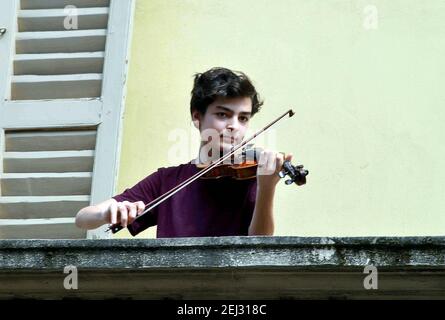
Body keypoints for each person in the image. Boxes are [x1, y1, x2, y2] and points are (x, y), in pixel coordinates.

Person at [75, 67, 292, 237]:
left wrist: (267, 187)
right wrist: (108, 212)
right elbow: (83, 218)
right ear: (197, 117)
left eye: (243, 118)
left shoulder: (253, 178)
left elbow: (260, 246)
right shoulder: (167, 181)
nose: (234, 126)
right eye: (223, 115)